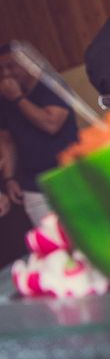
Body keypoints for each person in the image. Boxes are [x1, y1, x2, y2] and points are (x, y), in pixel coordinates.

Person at [0, 43, 78, 227]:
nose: (6, 73)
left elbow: (51, 124)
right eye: (0, 69)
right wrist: (9, 178)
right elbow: (6, 140)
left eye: (11, 66)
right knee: (50, 241)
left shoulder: (52, 85)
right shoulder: (3, 99)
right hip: (34, 185)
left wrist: (18, 98)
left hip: (70, 175)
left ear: (27, 64)